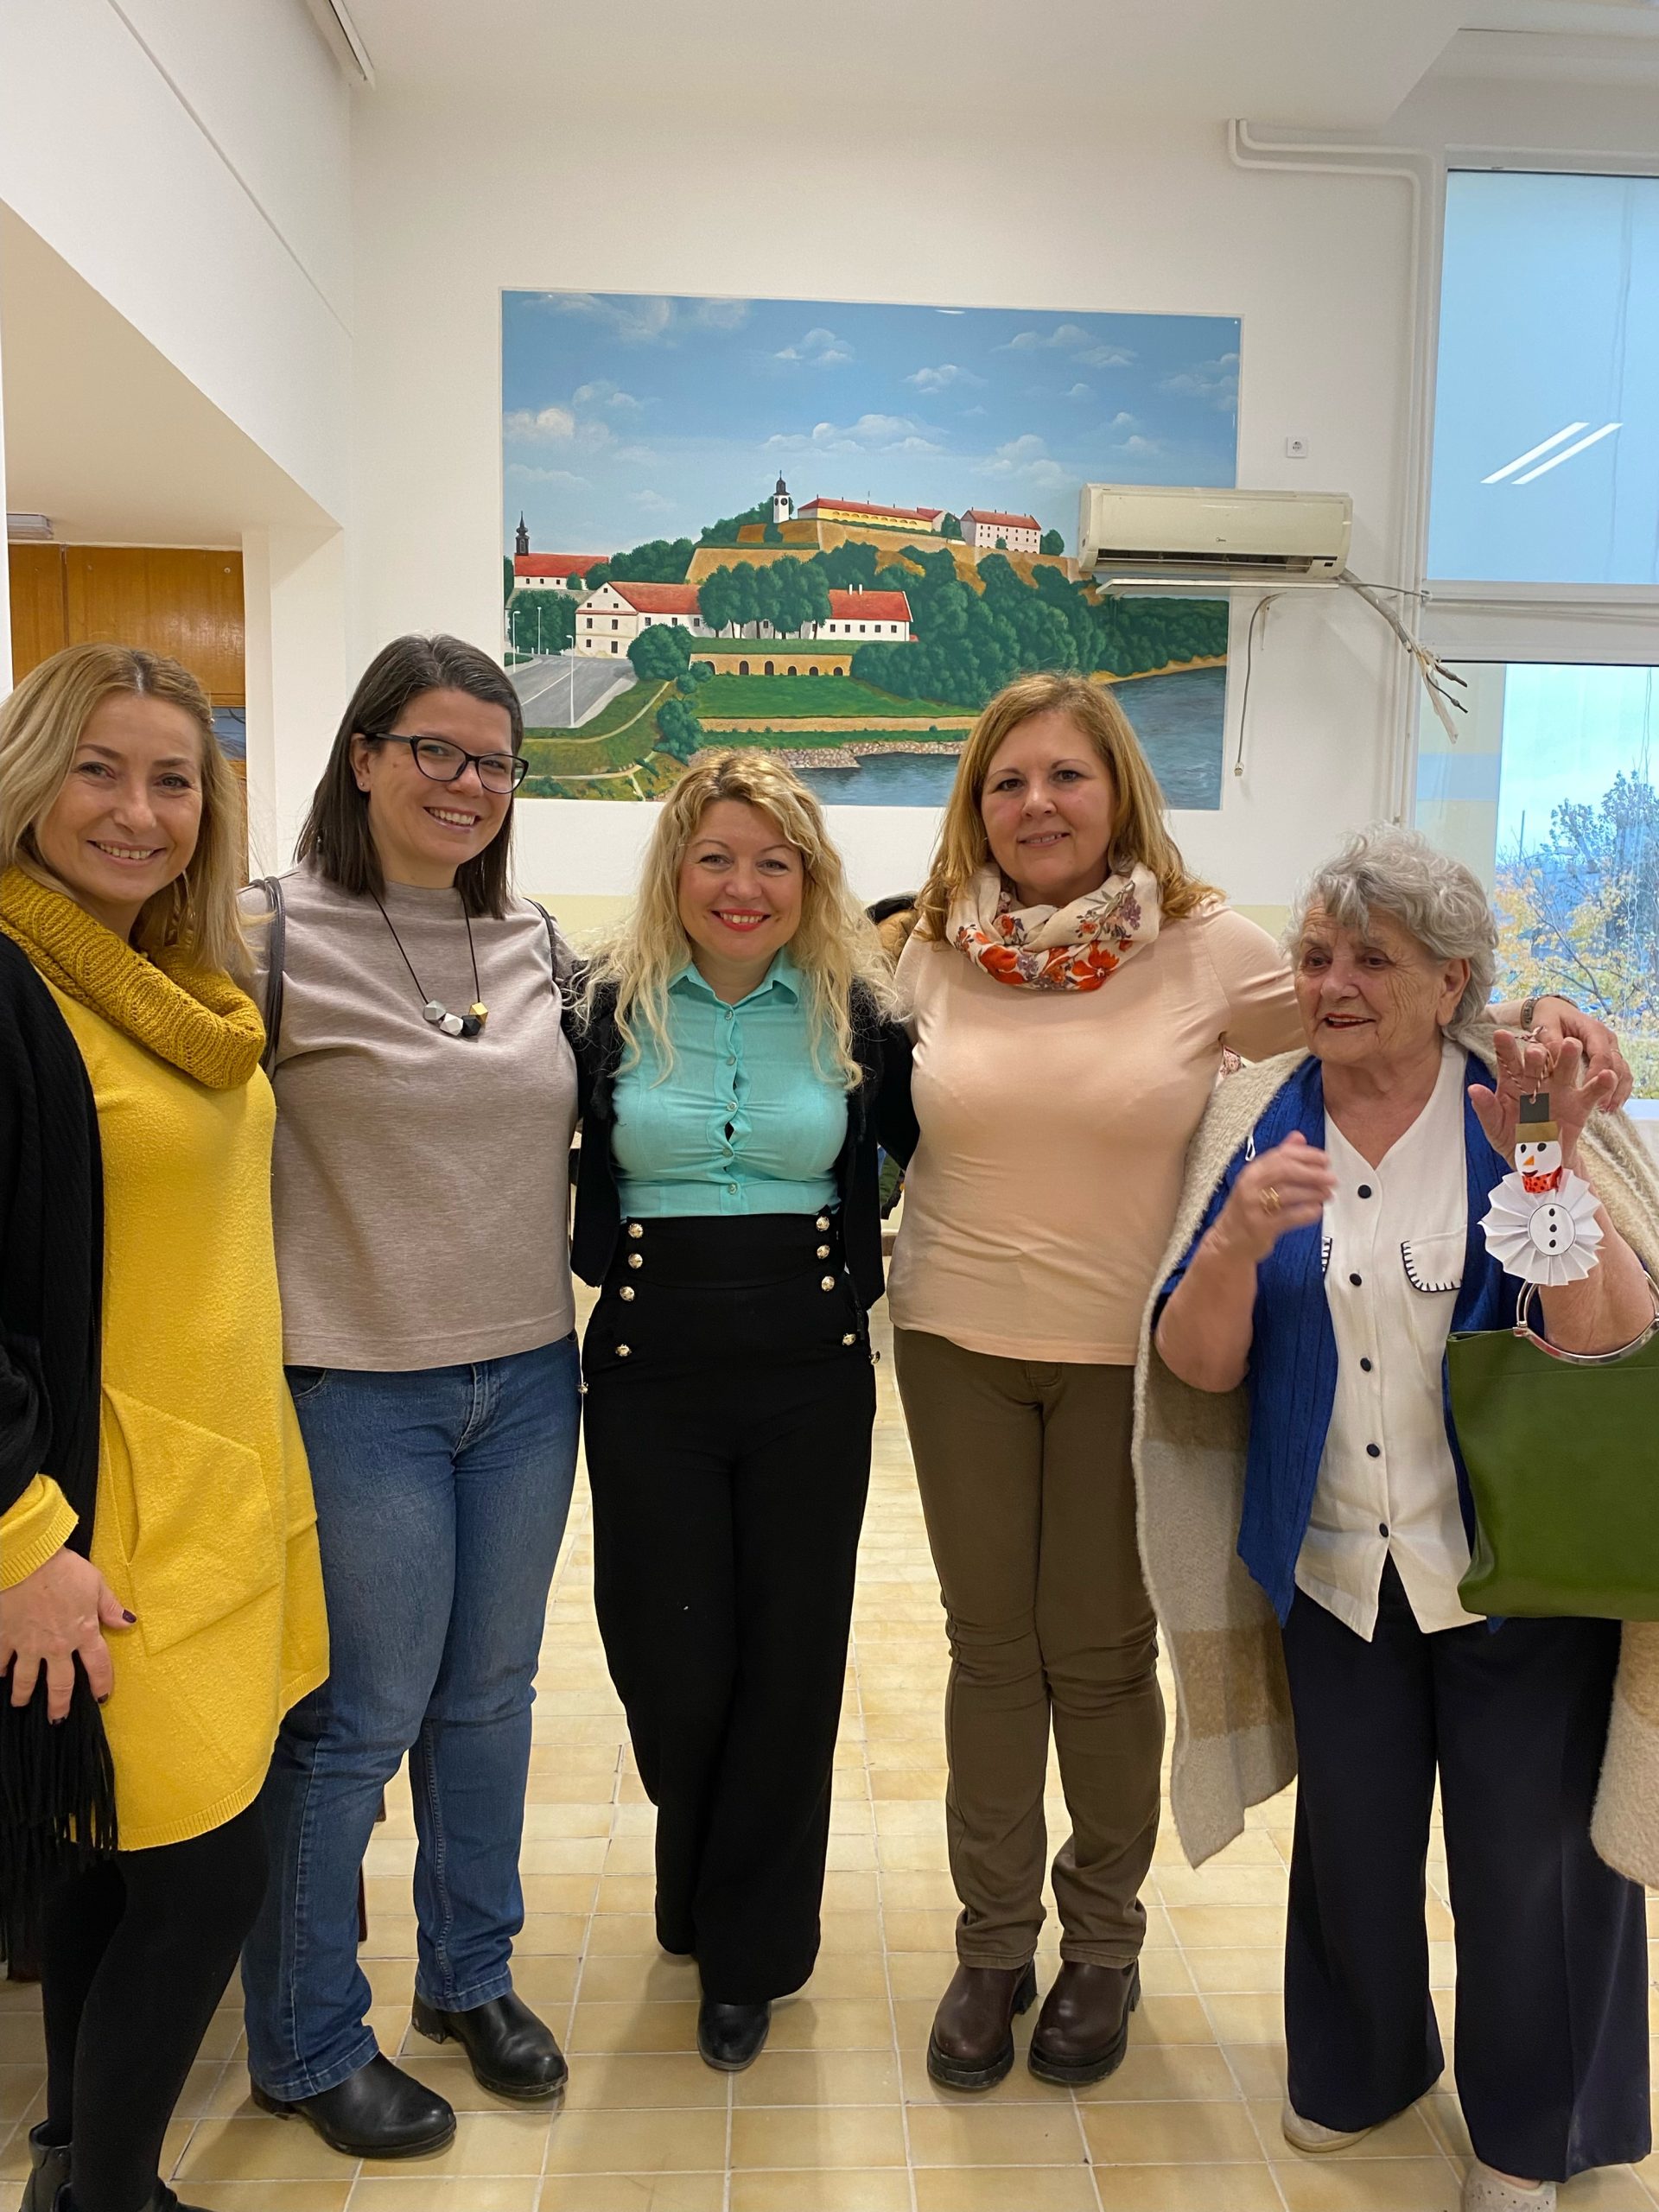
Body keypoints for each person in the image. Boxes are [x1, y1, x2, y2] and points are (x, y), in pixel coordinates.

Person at [884, 672, 1631, 2093]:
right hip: (954, 1337)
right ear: (974, 803)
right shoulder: (926, 952)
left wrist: (1549, 1003)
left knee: (1100, 1658)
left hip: (1127, 1355)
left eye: (1068, 775)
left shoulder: (1208, 947)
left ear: (1120, 792)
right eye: (1007, 780)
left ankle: (1101, 1947)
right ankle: (992, 1947)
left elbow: (1411, 989)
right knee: (988, 1652)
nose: (1037, 804)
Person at [1149, 825, 1658, 2212]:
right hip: (1336, 1567)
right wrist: (1237, 1241)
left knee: (1531, 1862)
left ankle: (1532, 2134)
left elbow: (1610, 1342)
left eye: (1375, 959)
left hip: (1517, 1568)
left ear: (1454, 985)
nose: (1335, 983)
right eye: (1318, 955)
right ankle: (1361, 2069)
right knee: (1354, 1846)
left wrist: (1547, 1165)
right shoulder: (1251, 1116)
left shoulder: (1525, 1096)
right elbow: (1195, 1368)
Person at [238, 636, 582, 2157]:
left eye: (494, 761)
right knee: (356, 1720)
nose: (467, 784)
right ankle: (309, 2040)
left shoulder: (534, 940)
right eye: (435, 751)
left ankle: (469, 1979)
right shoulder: (266, 933)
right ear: (365, 755)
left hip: (529, 1377)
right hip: (355, 1383)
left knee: (489, 1699)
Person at [0, 642, 327, 2212]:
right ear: (28, 780)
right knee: (208, 1876)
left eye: (173, 781)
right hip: (95, 1526)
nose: (138, 811)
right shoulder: (10, 984)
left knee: (106, 1858)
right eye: (99, 770)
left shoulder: (183, 989)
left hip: (214, 1494)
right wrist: (22, 1537)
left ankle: (78, 2161)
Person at [569, 751, 914, 2072]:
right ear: (674, 870)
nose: (743, 885)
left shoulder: (860, 1017)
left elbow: (949, 1148)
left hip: (809, 1363)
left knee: (787, 1660)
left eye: (775, 862)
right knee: (669, 1657)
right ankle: (701, 1858)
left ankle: (749, 1949)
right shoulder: (603, 1011)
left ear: (812, 882)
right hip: (648, 1359)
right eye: (715, 857)